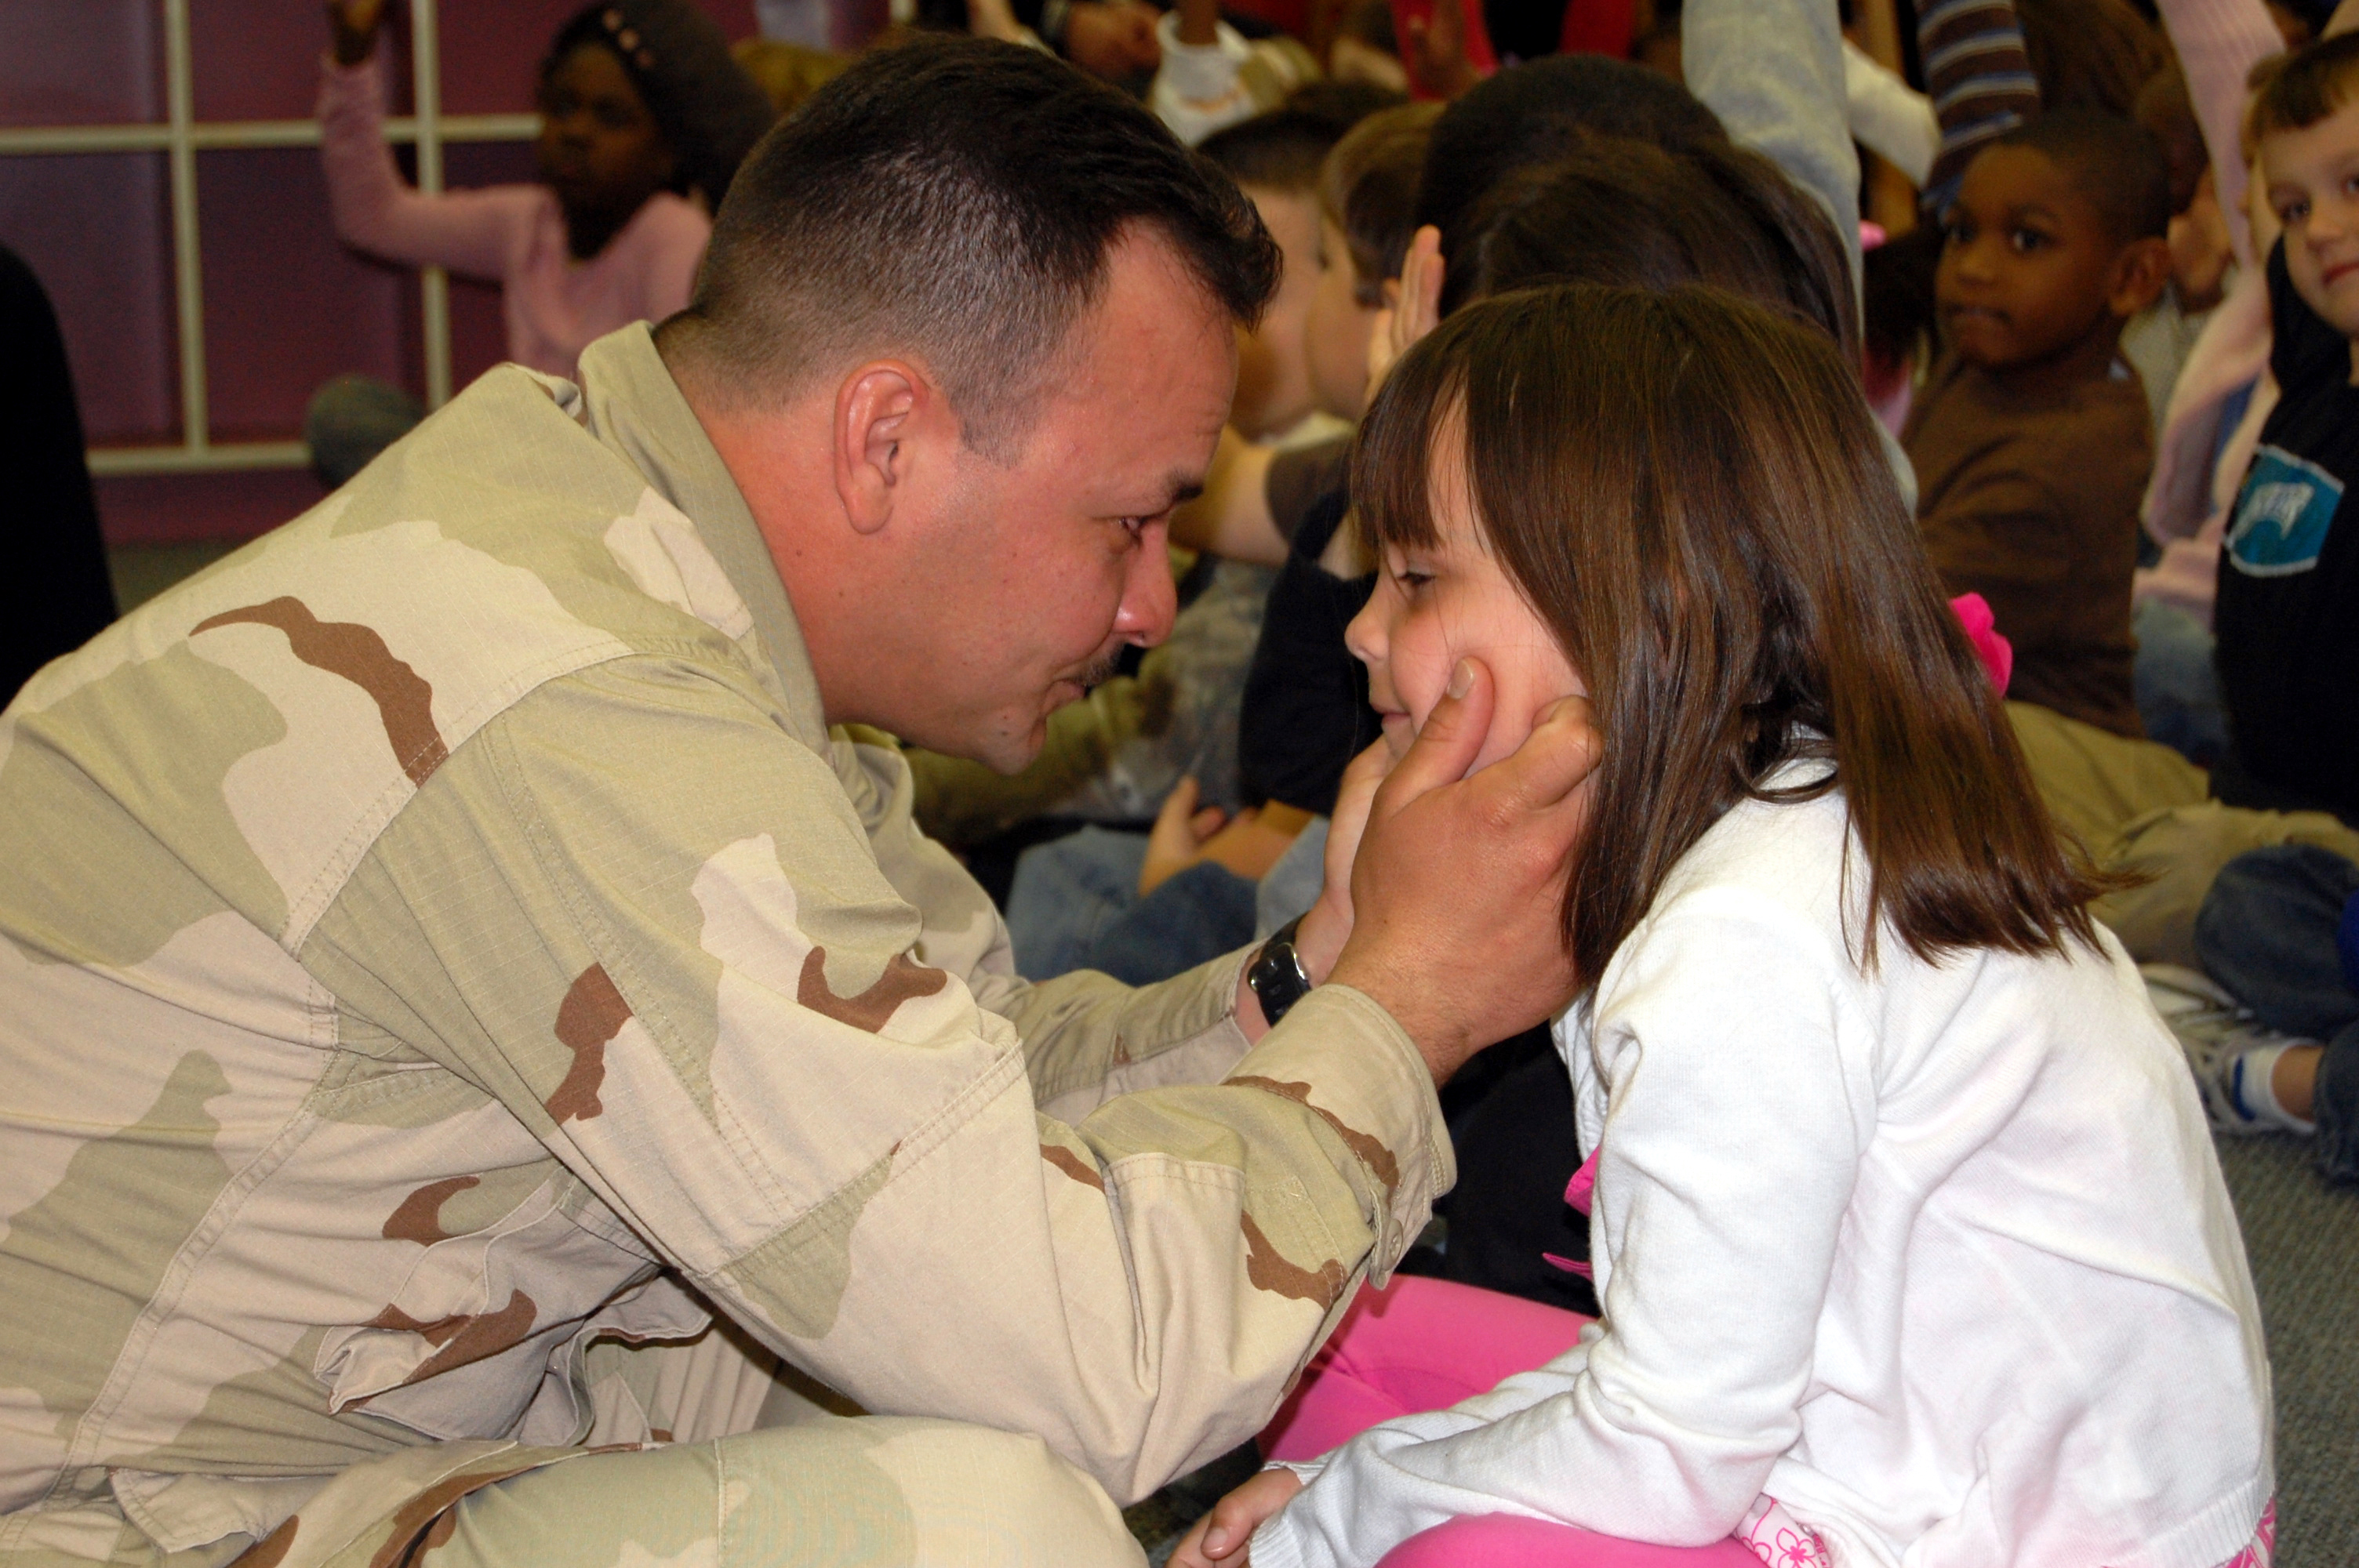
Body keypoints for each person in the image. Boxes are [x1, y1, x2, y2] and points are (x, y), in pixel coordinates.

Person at [0, 40, 1603, 1567]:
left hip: (399, 1414)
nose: (1144, 605)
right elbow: (1083, 1359)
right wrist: (1409, 1007)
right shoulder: (580, 702)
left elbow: (972, 1105)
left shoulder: (637, 566)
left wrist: (1309, 983)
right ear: (885, 439)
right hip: (113, 1518)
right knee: (990, 1523)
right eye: (1126, 521)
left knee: (937, 1370)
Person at [1177, 281, 2273, 1568]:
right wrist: (1354, 1482)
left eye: (1416, 576)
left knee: (1454, 1551)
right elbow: (1675, 1368)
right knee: (1330, 1340)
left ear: (1631, 603)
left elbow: (1670, 1448)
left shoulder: (1738, 938)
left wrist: (1342, 1515)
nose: (1364, 626)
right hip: (1879, 1441)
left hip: (2018, 1538)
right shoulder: (1775, 815)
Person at [305, 0, 774, 486]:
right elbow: (373, 218)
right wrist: (352, 57)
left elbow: (673, 424)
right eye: (563, 108)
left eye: (610, 117)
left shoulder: (672, 232)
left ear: (666, 152)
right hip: (520, 473)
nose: (576, 132)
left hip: (611, 496)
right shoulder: (529, 222)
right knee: (347, 414)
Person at [1903, 111, 2175, 739]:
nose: (1973, 266)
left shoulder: (2064, 470)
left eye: (2027, 241)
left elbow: (1888, 620)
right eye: (1962, 232)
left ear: (2133, 279)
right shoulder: (2002, 355)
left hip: (2048, 760)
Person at [2210, 29, 2359, 822]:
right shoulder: (2311, 377)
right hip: (2240, 795)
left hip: (2329, 852)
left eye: (2355, 185)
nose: (2321, 230)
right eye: (2292, 209)